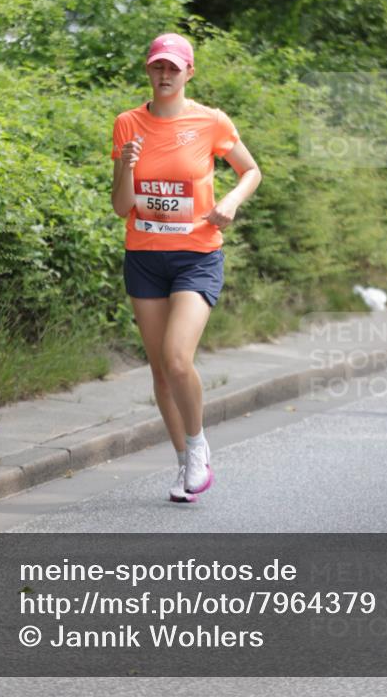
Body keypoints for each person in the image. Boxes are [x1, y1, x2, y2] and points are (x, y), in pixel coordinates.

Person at [110, 33, 262, 502]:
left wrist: (232, 201)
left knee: (178, 358)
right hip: (145, 259)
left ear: (189, 72)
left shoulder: (210, 121)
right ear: (148, 69)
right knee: (159, 371)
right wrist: (127, 167)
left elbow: (251, 170)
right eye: (158, 66)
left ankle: (198, 447)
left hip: (197, 256)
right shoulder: (127, 124)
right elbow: (121, 207)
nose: (165, 75)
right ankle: (183, 464)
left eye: (174, 68)